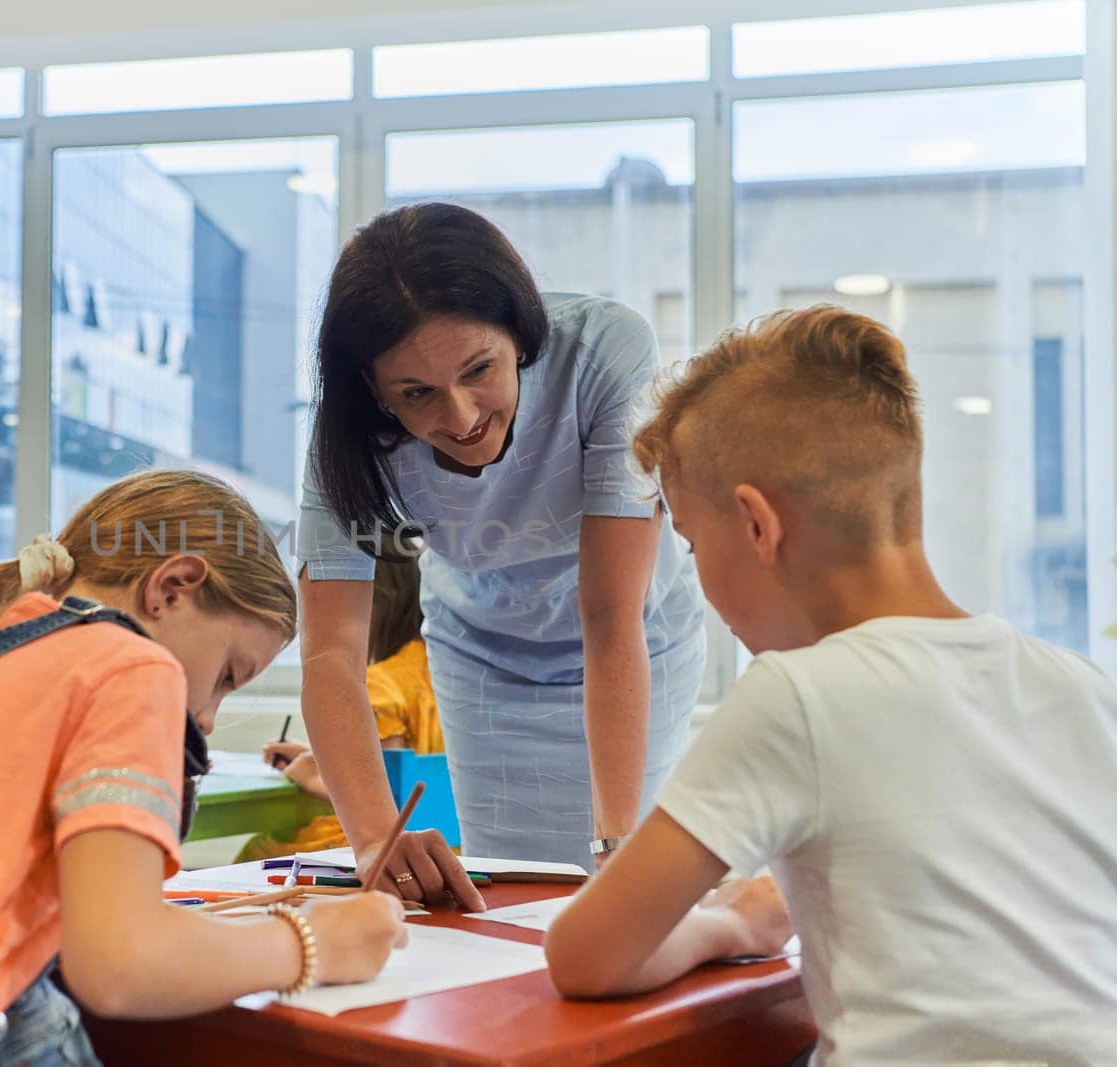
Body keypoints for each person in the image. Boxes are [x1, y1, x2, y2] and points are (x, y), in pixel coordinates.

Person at [544, 306, 1117, 1065]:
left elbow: (586, 953)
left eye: (688, 541)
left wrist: (735, 924)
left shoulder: (796, 695)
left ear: (757, 525)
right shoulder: (1082, 685)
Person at [0, 470, 406, 1063]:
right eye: (228, 675)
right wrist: (312, 940)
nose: (207, 717)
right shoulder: (127, 663)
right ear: (172, 587)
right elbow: (120, 964)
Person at [299, 202, 706, 905]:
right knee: (510, 892)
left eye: (479, 368)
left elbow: (611, 613)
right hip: (481, 651)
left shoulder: (606, 351)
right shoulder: (348, 434)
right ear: (374, 388)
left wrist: (615, 845)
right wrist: (373, 838)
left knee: (618, 882)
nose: (459, 417)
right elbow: (330, 653)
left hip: (635, 641)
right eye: (416, 393)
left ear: (517, 332)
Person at [250, 556, 441, 858]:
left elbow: (389, 795)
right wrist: (323, 760)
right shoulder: (441, 677)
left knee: (258, 849)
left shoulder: (378, 686)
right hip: (443, 839)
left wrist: (312, 776)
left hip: (378, 843)